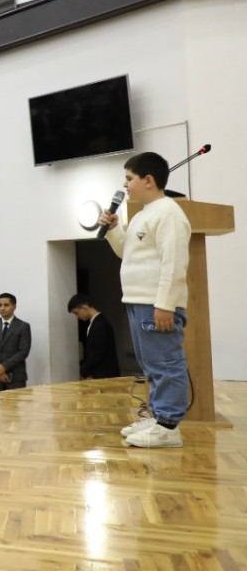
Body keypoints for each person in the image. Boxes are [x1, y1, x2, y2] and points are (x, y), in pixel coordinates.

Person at [100, 151, 193, 448]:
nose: (125, 186)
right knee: (150, 363)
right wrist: (114, 229)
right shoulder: (142, 214)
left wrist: (165, 303)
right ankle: (158, 416)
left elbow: (174, 262)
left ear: (148, 180)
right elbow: (125, 253)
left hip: (157, 303)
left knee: (165, 361)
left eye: (129, 179)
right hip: (138, 301)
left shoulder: (169, 212)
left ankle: (168, 427)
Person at [0, 292, 30, 391]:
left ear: (14, 307)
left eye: (6, 305)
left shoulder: (23, 326)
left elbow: (23, 351)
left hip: (16, 375)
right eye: (0, 305)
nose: (2, 308)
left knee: (15, 405)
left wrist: (3, 367)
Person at [68, 293, 120, 380]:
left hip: (105, 375)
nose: (77, 317)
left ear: (84, 308)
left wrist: (84, 370)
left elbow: (97, 353)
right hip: (100, 374)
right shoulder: (95, 323)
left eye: (77, 313)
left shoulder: (100, 324)